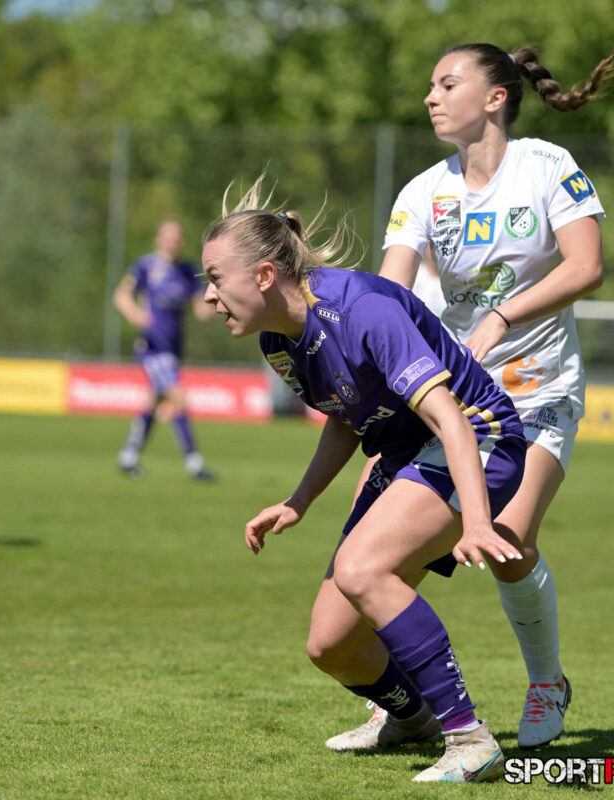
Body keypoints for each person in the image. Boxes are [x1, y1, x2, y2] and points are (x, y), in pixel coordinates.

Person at [201, 175, 527, 783]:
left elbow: (452, 422)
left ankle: (470, 739)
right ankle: (412, 718)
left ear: (265, 275)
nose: (208, 297)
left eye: (216, 279)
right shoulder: (278, 341)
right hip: (406, 451)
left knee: (361, 570)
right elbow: (347, 414)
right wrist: (299, 501)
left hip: (479, 438)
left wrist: (477, 522)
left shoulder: (363, 310)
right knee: (332, 646)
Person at [355, 43, 611, 751]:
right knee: (392, 547)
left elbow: (588, 267)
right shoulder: (421, 191)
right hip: (455, 398)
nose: (431, 97)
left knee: (507, 542)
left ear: (496, 97)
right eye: (430, 86)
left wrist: (500, 316)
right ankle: (403, 701)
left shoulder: (547, 166)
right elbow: (391, 295)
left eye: (447, 84)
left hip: (539, 390)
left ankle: (547, 681)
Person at [114, 219, 215, 481]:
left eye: (177, 237)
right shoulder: (145, 266)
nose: (173, 242)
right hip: (152, 346)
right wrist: (136, 315)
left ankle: (128, 456)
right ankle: (194, 463)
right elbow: (121, 295)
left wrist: (220, 305)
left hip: (173, 349)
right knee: (178, 397)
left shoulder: (187, 270)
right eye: (168, 237)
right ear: (159, 239)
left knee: (154, 400)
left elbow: (201, 308)